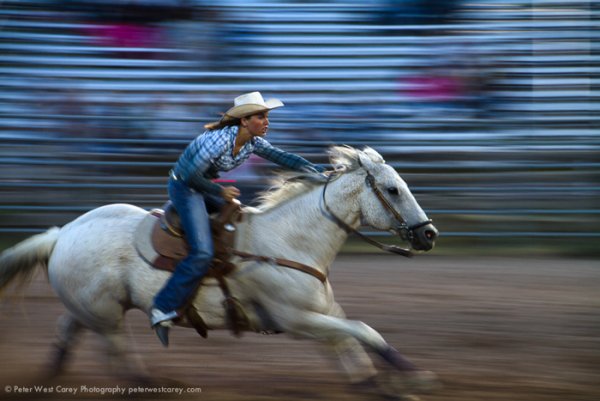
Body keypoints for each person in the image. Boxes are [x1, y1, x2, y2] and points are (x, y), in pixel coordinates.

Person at [150, 91, 324, 346]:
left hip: (202, 186)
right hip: (184, 188)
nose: (267, 121)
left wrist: (320, 171)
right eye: (261, 116)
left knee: (238, 222)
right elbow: (189, 177)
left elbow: (284, 158)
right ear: (244, 120)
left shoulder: (253, 142)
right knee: (201, 252)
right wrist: (220, 191)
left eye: (266, 116)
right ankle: (163, 307)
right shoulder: (218, 141)